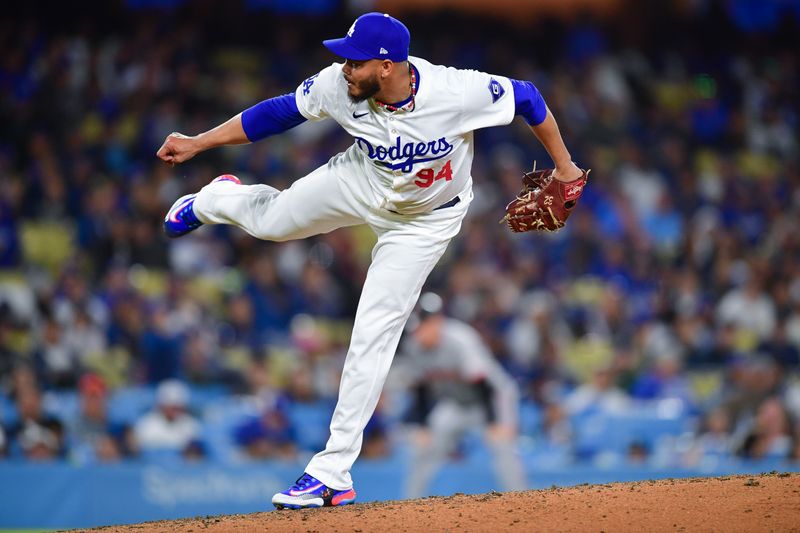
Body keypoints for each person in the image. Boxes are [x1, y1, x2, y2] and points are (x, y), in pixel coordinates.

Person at [157, 12, 585, 509]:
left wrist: (565, 166)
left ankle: (332, 471)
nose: (344, 68)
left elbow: (528, 97)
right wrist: (200, 141)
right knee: (272, 223)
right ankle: (214, 199)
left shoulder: (456, 91)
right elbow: (275, 114)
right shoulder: (339, 86)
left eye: (354, 61)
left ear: (386, 66)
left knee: (372, 332)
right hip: (362, 180)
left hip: (424, 222)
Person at [400, 293, 526, 498]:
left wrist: (494, 423)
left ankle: (522, 502)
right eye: (418, 326)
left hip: (493, 399)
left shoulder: (460, 339)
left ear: (437, 322)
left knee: (503, 448)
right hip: (455, 403)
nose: (420, 331)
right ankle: (408, 506)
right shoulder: (414, 347)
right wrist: (423, 426)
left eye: (425, 324)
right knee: (423, 449)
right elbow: (421, 388)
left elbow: (483, 383)